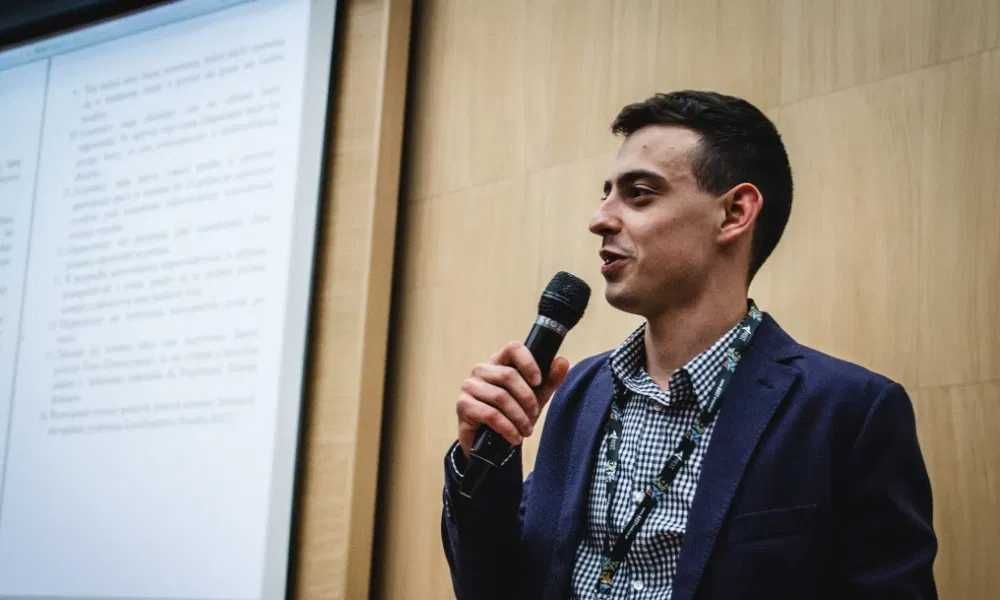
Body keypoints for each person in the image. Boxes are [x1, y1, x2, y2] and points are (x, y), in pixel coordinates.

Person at [440, 90, 937, 600]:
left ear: (735, 212)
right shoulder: (578, 392)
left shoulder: (848, 412)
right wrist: (482, 460)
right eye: (606, 193)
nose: (600, 218)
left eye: (639, 193)